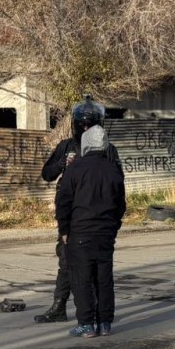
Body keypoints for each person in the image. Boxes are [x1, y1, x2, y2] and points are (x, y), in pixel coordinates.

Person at [34, 95, 120, 324]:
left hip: (98, 215)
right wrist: (64, 164)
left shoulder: (107, 149)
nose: (86, 129)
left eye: (90, 125)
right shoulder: (67, 146)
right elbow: (47, 173)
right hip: (72, 213)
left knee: (97, 269)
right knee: (67, 260)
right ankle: (60, 305)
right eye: (83, 124)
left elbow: (118, 185)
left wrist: (114, 220)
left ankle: (97, 316)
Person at [55, 125, 126, 338]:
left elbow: (64, 201)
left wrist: (64, 229)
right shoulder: (113, 169)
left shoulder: (75, 169)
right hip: (105, 233)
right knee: (104, 278)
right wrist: (113, 227)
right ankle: (105, 322)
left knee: (82, 279)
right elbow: (120, 204)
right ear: (104, 145)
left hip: (80, 232)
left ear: (85, 144)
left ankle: (86, 324)